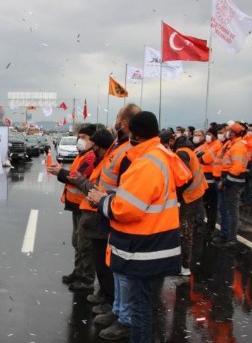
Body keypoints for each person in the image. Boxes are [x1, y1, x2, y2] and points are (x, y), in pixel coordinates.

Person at [88, 111, 190, 343]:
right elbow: (142, 197)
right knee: (143, 306)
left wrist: (102, 200)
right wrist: (113, 195)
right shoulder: (160, 154)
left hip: (144, 248)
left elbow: (127, 209)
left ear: (133, 132)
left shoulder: (146, 163)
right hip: (154, 242)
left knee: (140, 309)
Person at [88, 103, 141, 341]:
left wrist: (106, 201)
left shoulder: (130, 151)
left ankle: (125, 319)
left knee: (122, 272)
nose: (115, 123)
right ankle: (118, 311)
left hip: (121, 215)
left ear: (125, 124)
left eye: (118, 119)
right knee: (116, 268)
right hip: (109, 211)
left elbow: (126, 191)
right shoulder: (119, 146)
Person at [66, 128, 116, 318]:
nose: (87, 144)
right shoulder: (94, 158)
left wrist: (75, 179)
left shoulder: (104, 161)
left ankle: (102, 293)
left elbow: (93, 186)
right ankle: (100, 291)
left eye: (86, 139)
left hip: (98, 213)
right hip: (87, 209)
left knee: (97, 258)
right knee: (82, 246)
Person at [47, 124, 97, 291]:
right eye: (79, 137)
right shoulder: (81, 155)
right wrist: (62, 171)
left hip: (85, 205)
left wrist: (61, 172)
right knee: (76, 242)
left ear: (93, 140)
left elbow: (78, 177)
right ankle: (78, 272)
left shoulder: (90, 157)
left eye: (84, 137)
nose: (80, 140)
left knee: (84, 244)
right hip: (76, 204)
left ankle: (87, 278)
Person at [172, 135, 207, 275]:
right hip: (196, 192)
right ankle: (184, 263)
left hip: (190, 195)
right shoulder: (188, 151)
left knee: (186, 230)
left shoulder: (182, 153)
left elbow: (184, 178)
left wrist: (177, 196)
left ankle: (185, 265)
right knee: (187, 228)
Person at [213, 122, 249, 249]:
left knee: (232, 212)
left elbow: (236, 168)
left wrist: (226, 181)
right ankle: (225, 234)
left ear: (233, 133)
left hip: (233, 183)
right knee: (224, 210)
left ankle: (232, 239)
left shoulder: (238, 146)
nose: (226, 133)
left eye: (228, 131)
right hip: (228, 181)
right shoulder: (232, 144)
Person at [195, 127, 222, 235]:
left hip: (212, 178)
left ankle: (211, 226)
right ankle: (208, 224)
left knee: (211, 205)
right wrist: (200, 156)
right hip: (204, 178)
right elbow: (195, 154)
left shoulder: (217, 145)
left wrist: (201, 157)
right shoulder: (206, 145)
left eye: (210, 134)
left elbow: (205, 158)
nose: (208, 136)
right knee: (206, 204)